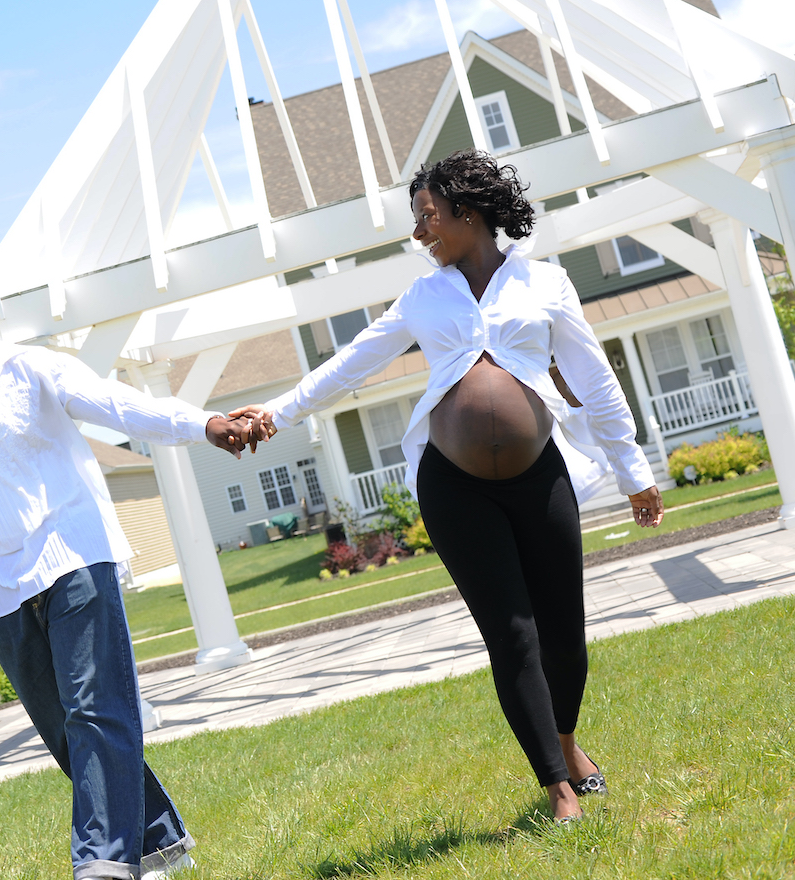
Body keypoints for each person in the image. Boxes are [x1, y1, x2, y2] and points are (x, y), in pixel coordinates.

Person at [236, 150, 663, 824]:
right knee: (512, 634)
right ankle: (558, 787)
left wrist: (633, 471)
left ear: (468, 211)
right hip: (454, 488)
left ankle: (566, 742)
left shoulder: (545, 283)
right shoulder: (422, 297)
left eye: (427, 215)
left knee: (565, 634)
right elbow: (351, 363)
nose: (418, 232)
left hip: (540, 477)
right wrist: (276, 413)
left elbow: (595, 378)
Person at [0, 271, 266, 879]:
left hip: (73, 554)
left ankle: (101, 865)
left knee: (96, 709)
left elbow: (118, 404)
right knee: (65, 731)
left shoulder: (30, 368)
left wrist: (202, 424)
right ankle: (159, 845)